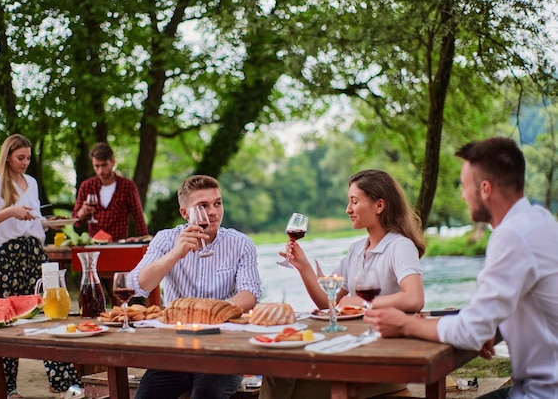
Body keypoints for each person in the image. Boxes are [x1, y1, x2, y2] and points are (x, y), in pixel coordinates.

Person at [365, 137, 558, 399]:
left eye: (465, 186)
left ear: (485, 189)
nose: (462, 194)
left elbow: (471, 331)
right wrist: (492, 323)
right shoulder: (540, 221)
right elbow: (526, 304)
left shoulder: (511, 236)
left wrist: (403, 325)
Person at [260, 169, 426, 399]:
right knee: (278, 370)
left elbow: (415, 299)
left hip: (386, 360)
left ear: (379, 205)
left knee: (284, 382)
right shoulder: (357, 249)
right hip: (351, 350)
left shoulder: (400, 246)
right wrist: (304, 267)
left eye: (354, 201)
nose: (348, 209)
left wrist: (364, 304)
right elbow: (329, 303)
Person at [129, 174, 262, 399]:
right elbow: (136, 286)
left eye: (217, 204)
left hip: (224, 347)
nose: (213, 212)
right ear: (184, 213)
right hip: (175, 349)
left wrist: (210, 312)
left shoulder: (241, 243)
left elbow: (250, 294)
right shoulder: (166, 240)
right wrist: (175, 254)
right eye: (203, 205)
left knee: (207, 394)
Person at [0, 134, 82, 399]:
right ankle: (8, 387)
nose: (25, 163)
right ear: (8, 156)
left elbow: (32, 223)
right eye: (20, 158)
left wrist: (48, 223)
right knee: (6, 322)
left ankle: (62, 383)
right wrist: (11, 211)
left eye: (28, 158)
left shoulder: (31, 183)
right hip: (6, 257)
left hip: (35, 253)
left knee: (50, 315)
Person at [72, 142, 148, 242]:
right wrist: (83, 211)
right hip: (94, 245)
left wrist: (147, 243)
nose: (100, 171)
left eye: (104, 165)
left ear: (113, 162)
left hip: (119, 246)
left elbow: (138, 218)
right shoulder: (87, 186)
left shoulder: (127, 186)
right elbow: (75, 222)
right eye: (96, 166)